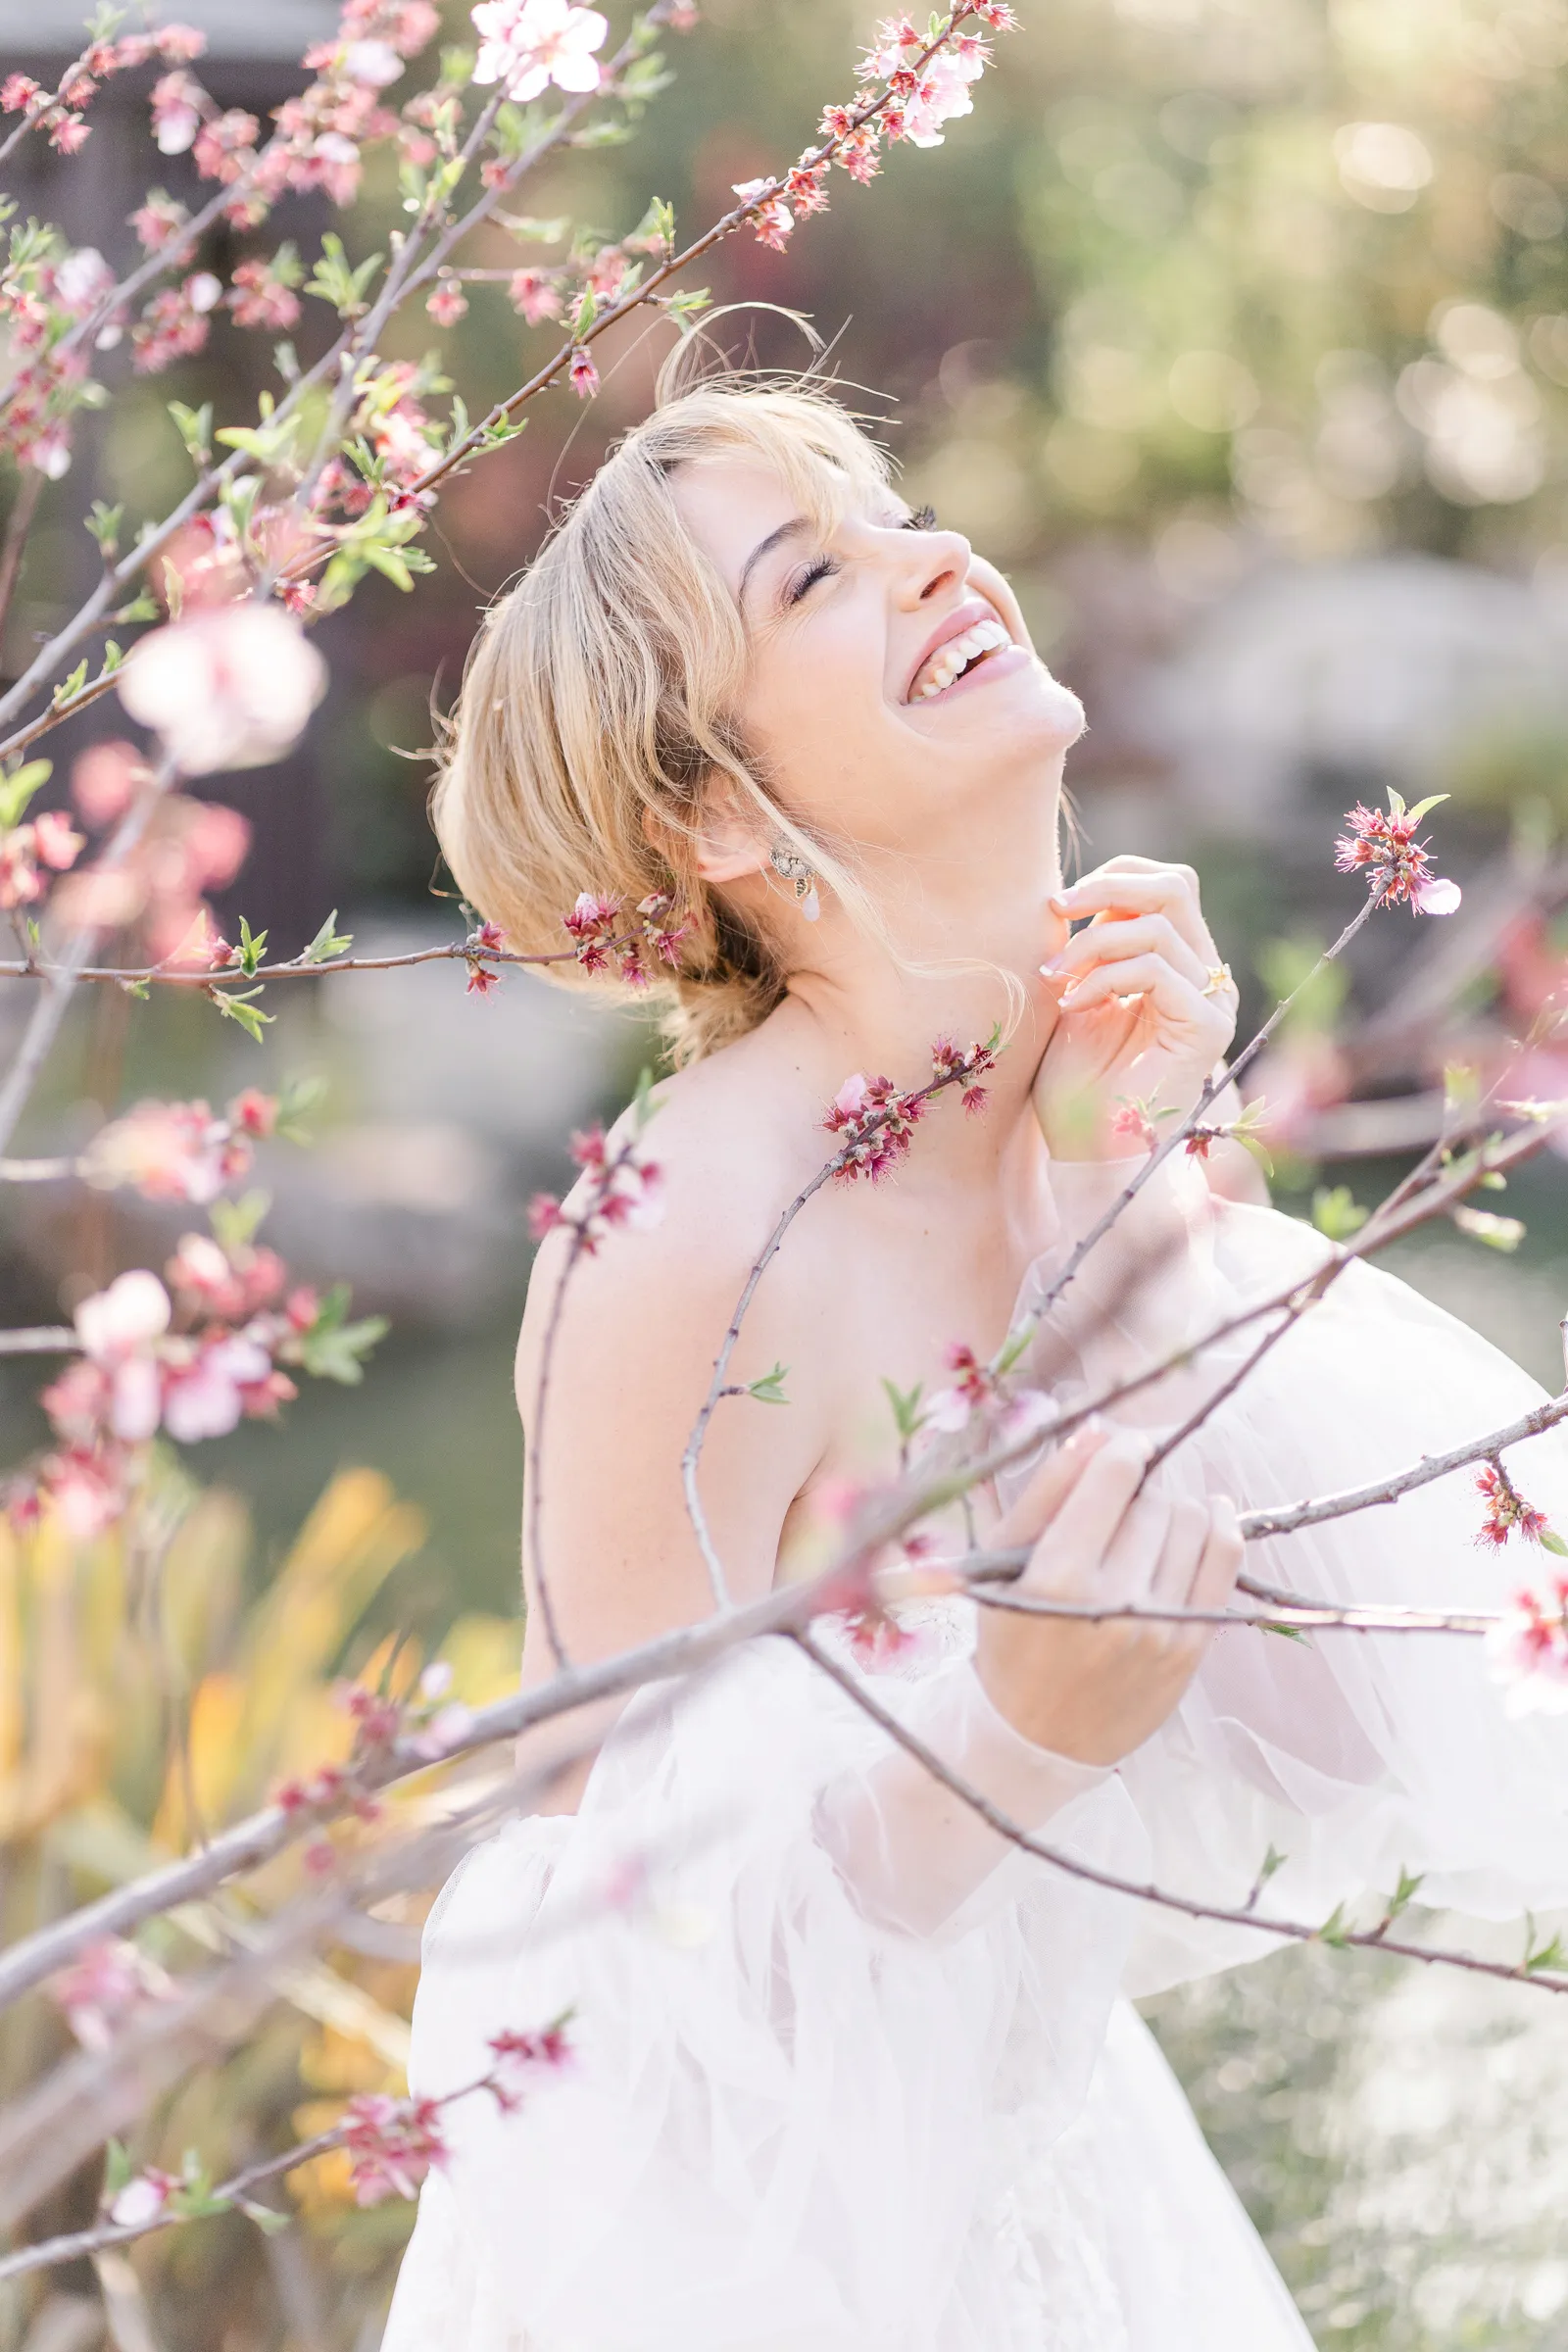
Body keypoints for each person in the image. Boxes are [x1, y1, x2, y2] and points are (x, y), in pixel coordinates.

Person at [382, 376, 1568, 2352]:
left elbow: (1370, 1708)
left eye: (890, 511)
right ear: (713, 811)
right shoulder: (678, 1234)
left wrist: (1132, 1198)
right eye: (813, 573)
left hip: (1056, 2199)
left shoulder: (1096, 1122)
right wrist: (1008, 1738)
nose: (930, 556)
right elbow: (605, 1982)